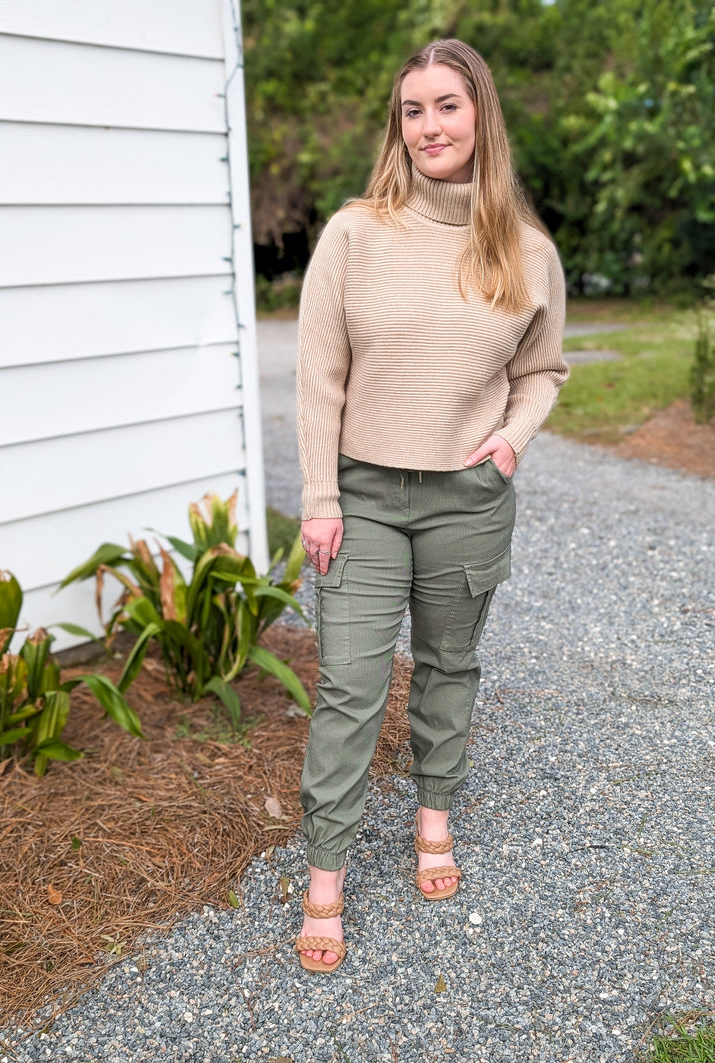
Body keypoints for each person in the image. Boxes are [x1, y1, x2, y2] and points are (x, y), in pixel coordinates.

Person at [293, 38, 569, 973]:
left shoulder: (527, 251)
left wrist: (510, 441)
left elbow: (542, 371)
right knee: (350, 684)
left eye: (447, 106)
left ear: (481, 114)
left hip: (467, 498)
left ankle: (434, 816)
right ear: (397, 125)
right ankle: (325, 873)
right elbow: (318, 377)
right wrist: (321, 498)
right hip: (363, 497)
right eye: (413, 110)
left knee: (449, 664)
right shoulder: (354, 234)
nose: (429, 127)